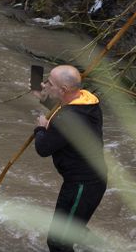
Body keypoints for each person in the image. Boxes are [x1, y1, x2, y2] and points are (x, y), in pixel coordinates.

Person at [33, 65, 107, 252]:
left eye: (49, 83)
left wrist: (41, 128)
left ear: (63, 90)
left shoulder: (67, 119)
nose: (44, 84)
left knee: (58, 243)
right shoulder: (88, 102)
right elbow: (63, 111)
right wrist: (43, 95)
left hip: (83, 185)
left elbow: (43, 148)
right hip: (92, 180)